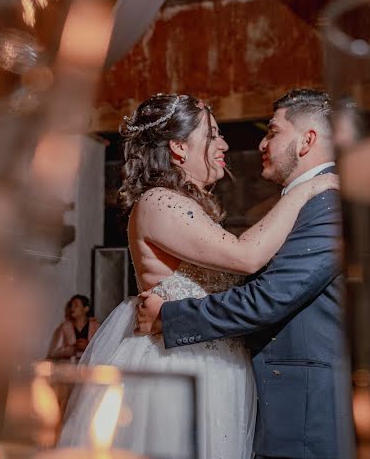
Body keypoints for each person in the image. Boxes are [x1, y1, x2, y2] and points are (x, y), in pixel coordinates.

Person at [56, 93, 338, 458]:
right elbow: (246, 256)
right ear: (178, 147)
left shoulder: (190, 206)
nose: (224, 144)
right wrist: (307, 190)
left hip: (217, 363)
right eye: (213, 135)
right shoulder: (160, 201)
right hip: (175, 364)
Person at [137, 89, 354, 459]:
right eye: (213, 134)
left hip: (303, 406)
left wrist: (169, 316)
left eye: (272, 131)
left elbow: (268, 296)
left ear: (307, 141)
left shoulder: (326, 201)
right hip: (216, 376)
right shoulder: (163, 202)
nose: (260, 143)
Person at [47, 295, 100, 361]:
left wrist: (89, 346)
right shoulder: (64, 327)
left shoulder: (96, 326)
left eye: (76, 305)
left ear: (86, 308)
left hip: (90, 367)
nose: (72, 308)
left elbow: (104, 349)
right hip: (70, 368)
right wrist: (74, 348)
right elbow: (54, 352)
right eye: (71, 305)